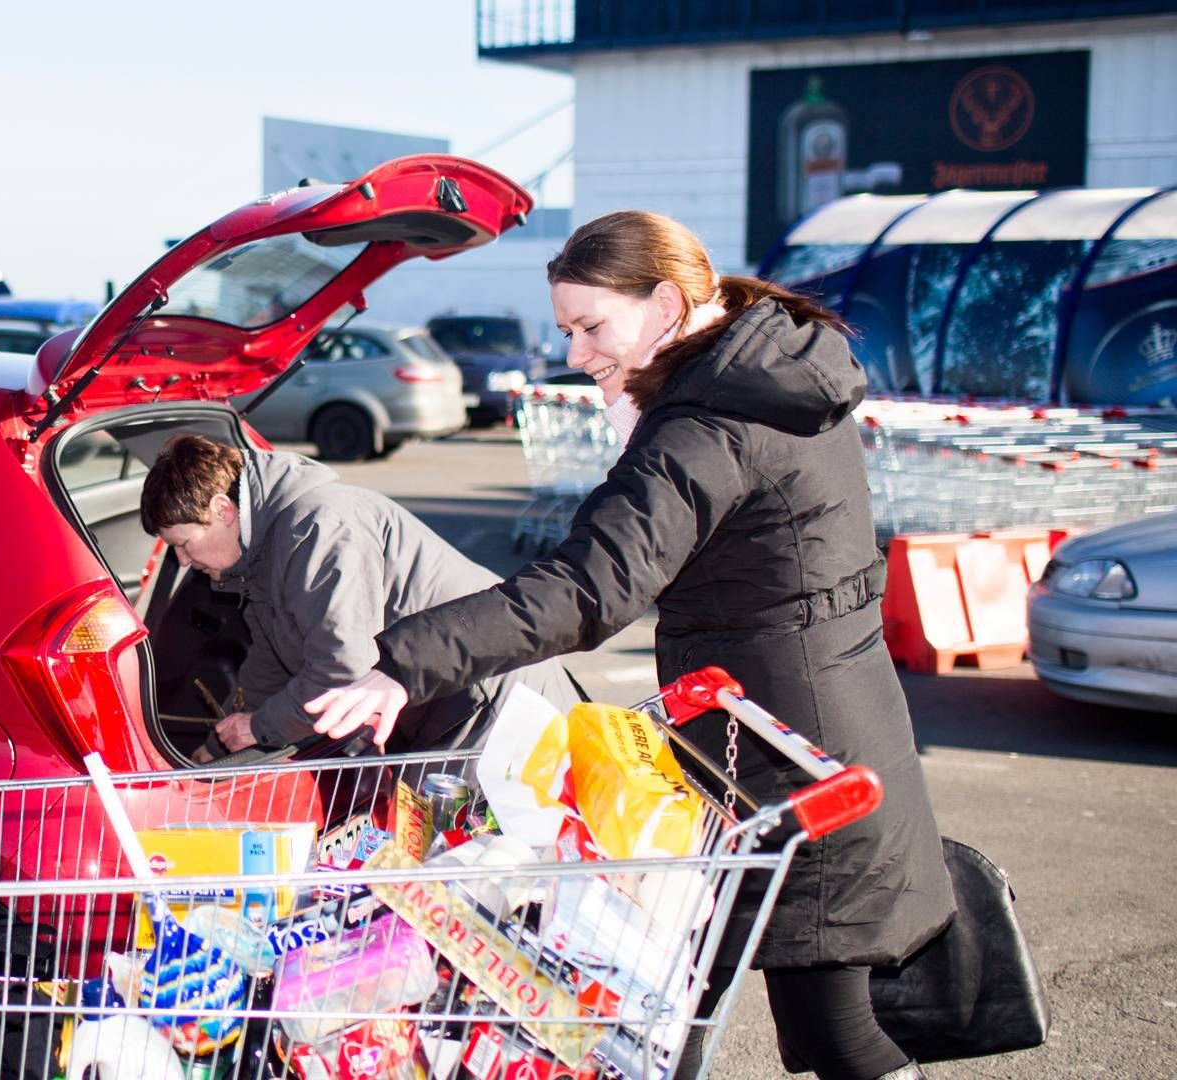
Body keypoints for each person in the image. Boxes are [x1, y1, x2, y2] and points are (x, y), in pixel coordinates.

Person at [306, 211, 953, 1080]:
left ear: (666, 303)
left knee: (823, 1028)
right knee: (667, 1012)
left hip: (794, 754)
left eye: (591, 326)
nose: (576, 353)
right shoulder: (761, 376)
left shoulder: (708, 425)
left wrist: (402, 665)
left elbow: (589, 587)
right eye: (568, 330)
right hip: (787, 729)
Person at [140, 433, 576, 762]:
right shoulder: (261, 558)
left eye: (184, 542)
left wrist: (260, 727)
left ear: (223, 509)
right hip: (444, 706)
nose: (182, 559)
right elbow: (269, 662)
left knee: (482, 862)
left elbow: (343, 671)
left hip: (490, 705)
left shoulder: (318, 527)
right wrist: (219, 747)